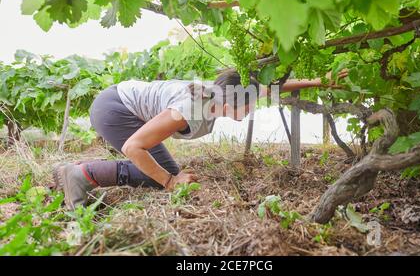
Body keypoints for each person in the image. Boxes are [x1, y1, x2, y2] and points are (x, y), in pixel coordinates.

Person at [53, 69, 348, 209]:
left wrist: (320, 80)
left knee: (165, 169)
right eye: (249, 104)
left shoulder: (227, 94)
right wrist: (170, 182)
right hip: (114, 109)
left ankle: (78, 170)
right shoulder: (189, 110)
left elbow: (272, 88)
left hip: (127, 107)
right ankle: (80, 174)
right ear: (229, 99)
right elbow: (133, 147)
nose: (252, 108)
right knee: (160, 175)